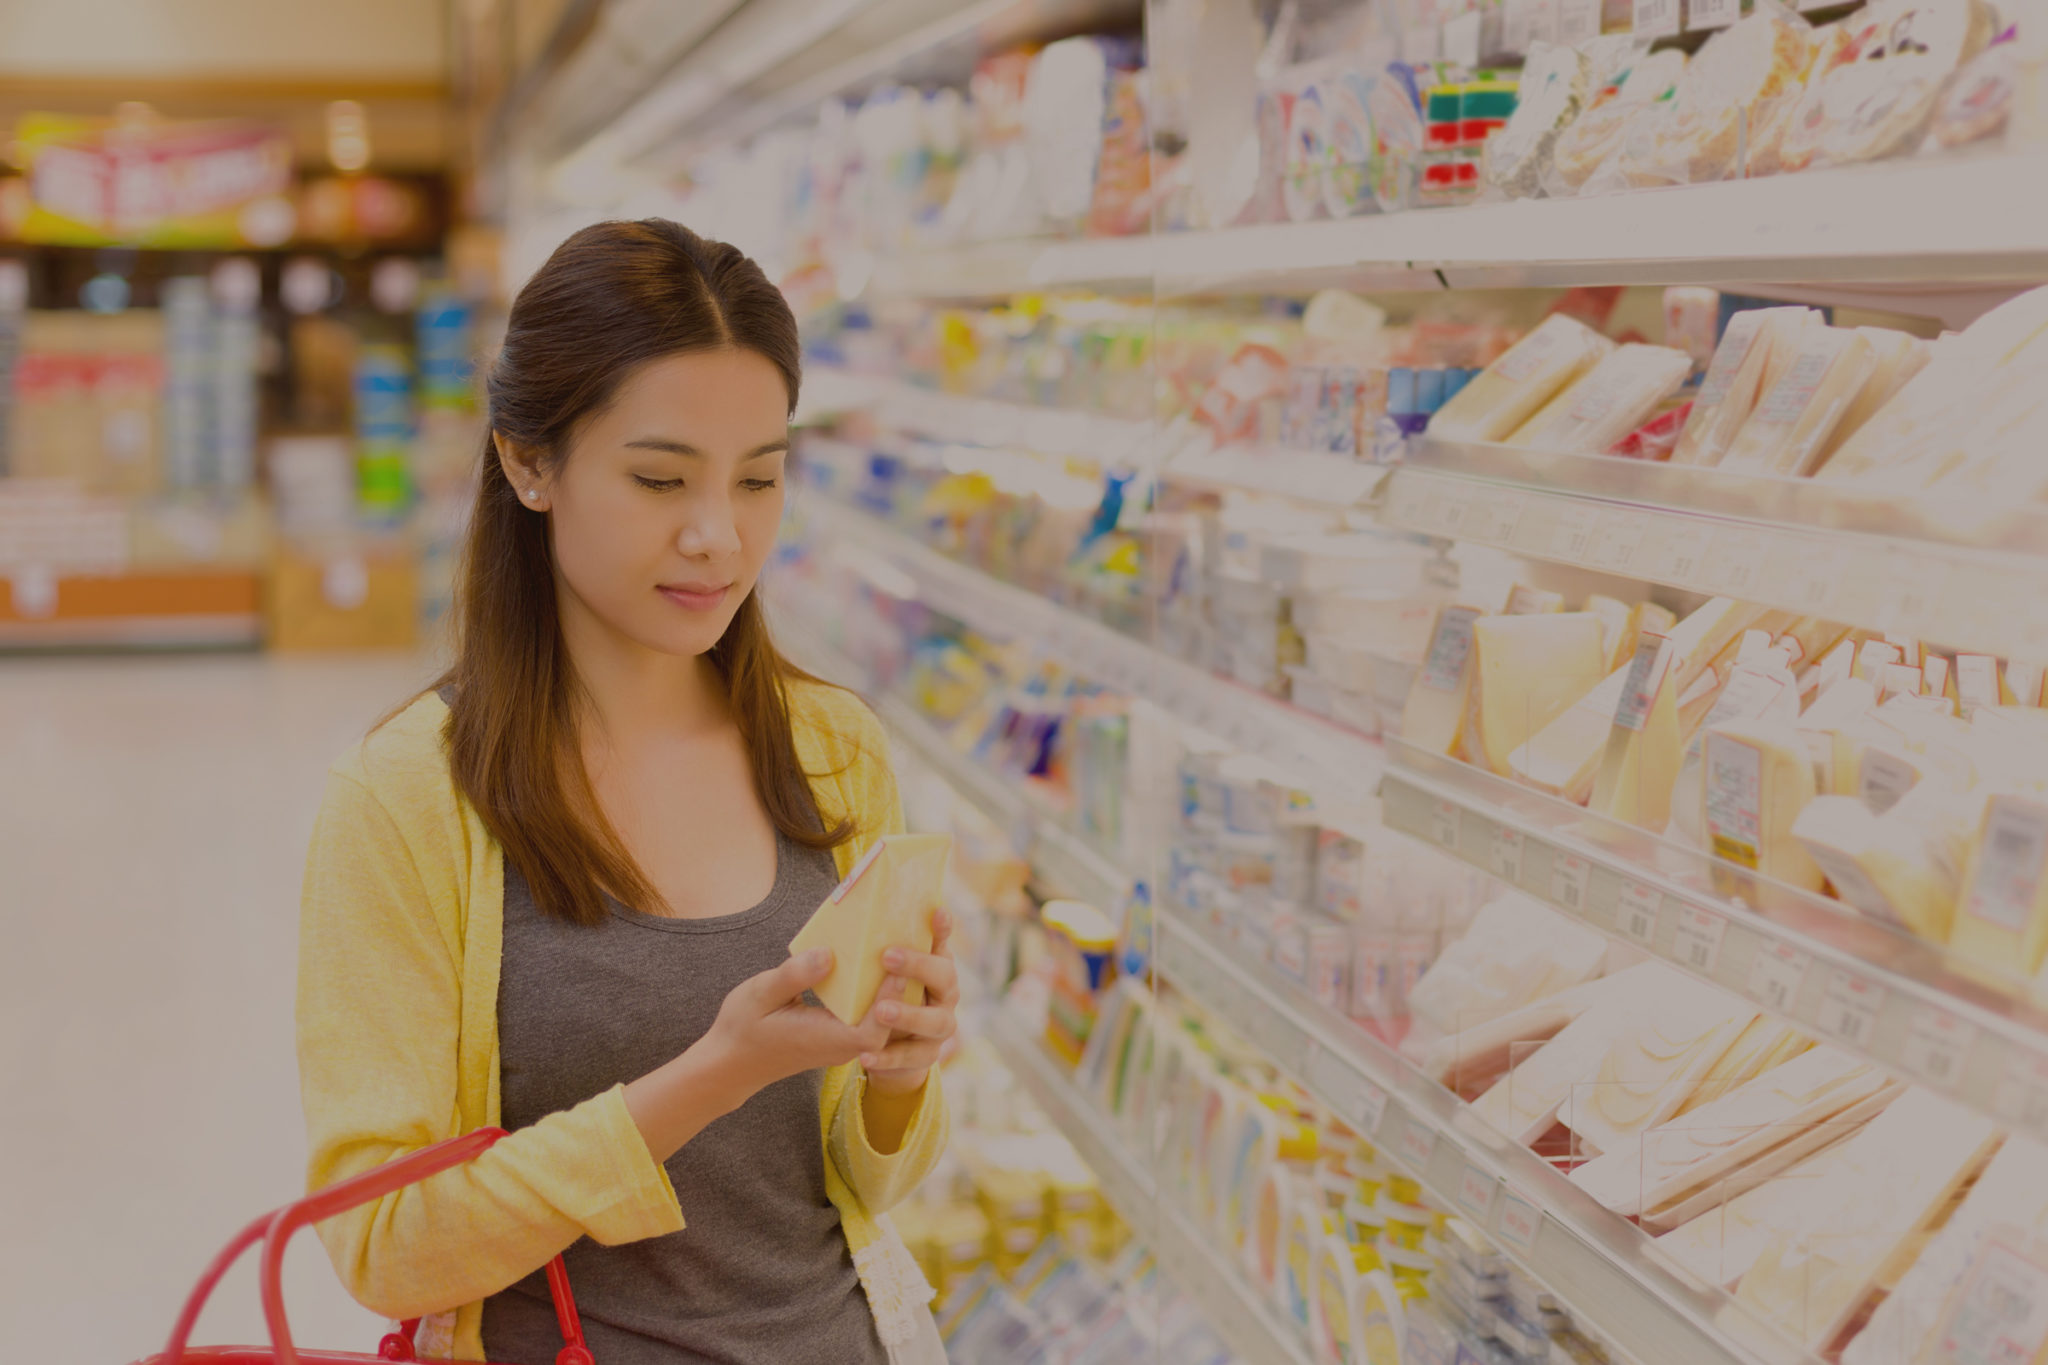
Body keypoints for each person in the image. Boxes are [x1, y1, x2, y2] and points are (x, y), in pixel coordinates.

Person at [296, 219, 955, 1365]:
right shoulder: (406, 799)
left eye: (758, 479)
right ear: (526, 462)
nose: (718, 536)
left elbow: (857, 1179)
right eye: (659, 478)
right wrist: (711, 1074)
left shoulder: (832, 749)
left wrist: (898, 1080)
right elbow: (381, 1245)